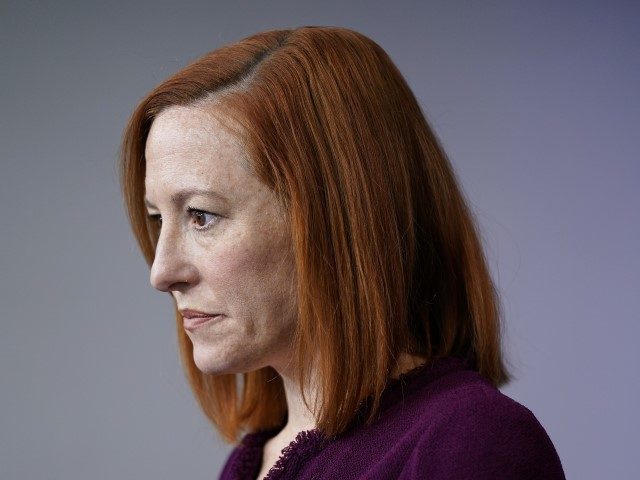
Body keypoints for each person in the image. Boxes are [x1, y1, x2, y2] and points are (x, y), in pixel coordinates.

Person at [119, 26, 566, 479]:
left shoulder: (471, 446)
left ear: (337, 217)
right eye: (157, 219)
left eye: (201, 215)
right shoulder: (247, 465)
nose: (162, 271)